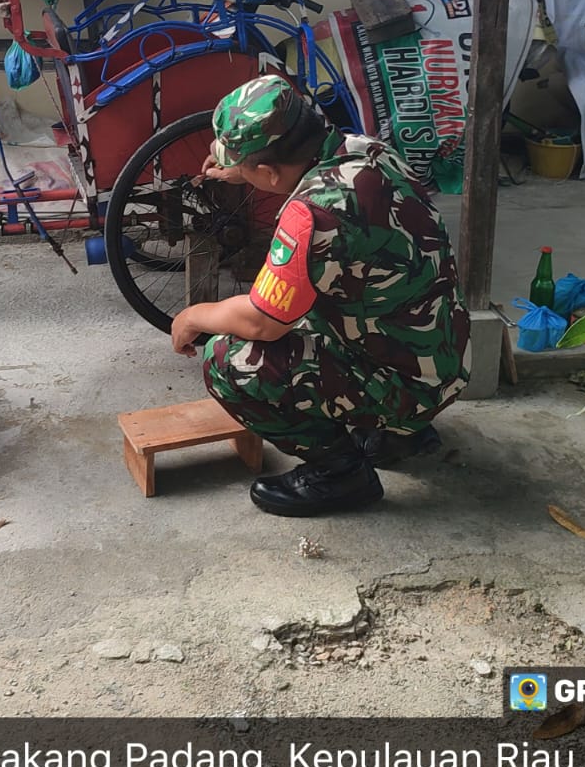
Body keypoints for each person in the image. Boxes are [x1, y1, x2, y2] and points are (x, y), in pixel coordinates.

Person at [170, 74, 470, 517]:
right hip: (443, 358)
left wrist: (193, 316)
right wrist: (242, 166)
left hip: (408, 386)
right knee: (331, 296)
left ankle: (340, 472)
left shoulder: (314, 212)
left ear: (269, 172)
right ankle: (399, 435)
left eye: (248, 171)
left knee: (230, 360)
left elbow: (262, 320)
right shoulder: (369, 150)